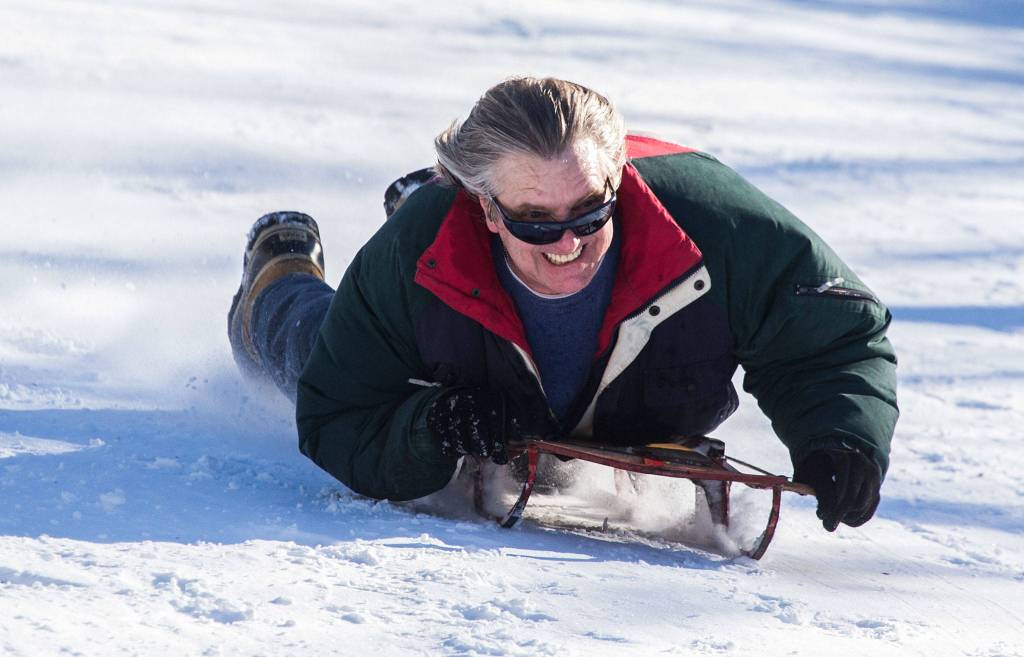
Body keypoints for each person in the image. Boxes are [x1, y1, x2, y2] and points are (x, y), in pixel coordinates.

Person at [227, 77, 898, 533]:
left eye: (589, 210)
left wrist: (842, 434)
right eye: (536, 222)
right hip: (450, 339)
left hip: (636, 389)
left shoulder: (718, 227)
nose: (569, 243)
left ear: (617, 178)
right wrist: (434, 424)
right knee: (313, 344)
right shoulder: (418, 254)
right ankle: (277, 272)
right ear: (487, 210)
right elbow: (336, 412)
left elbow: (830, 338)